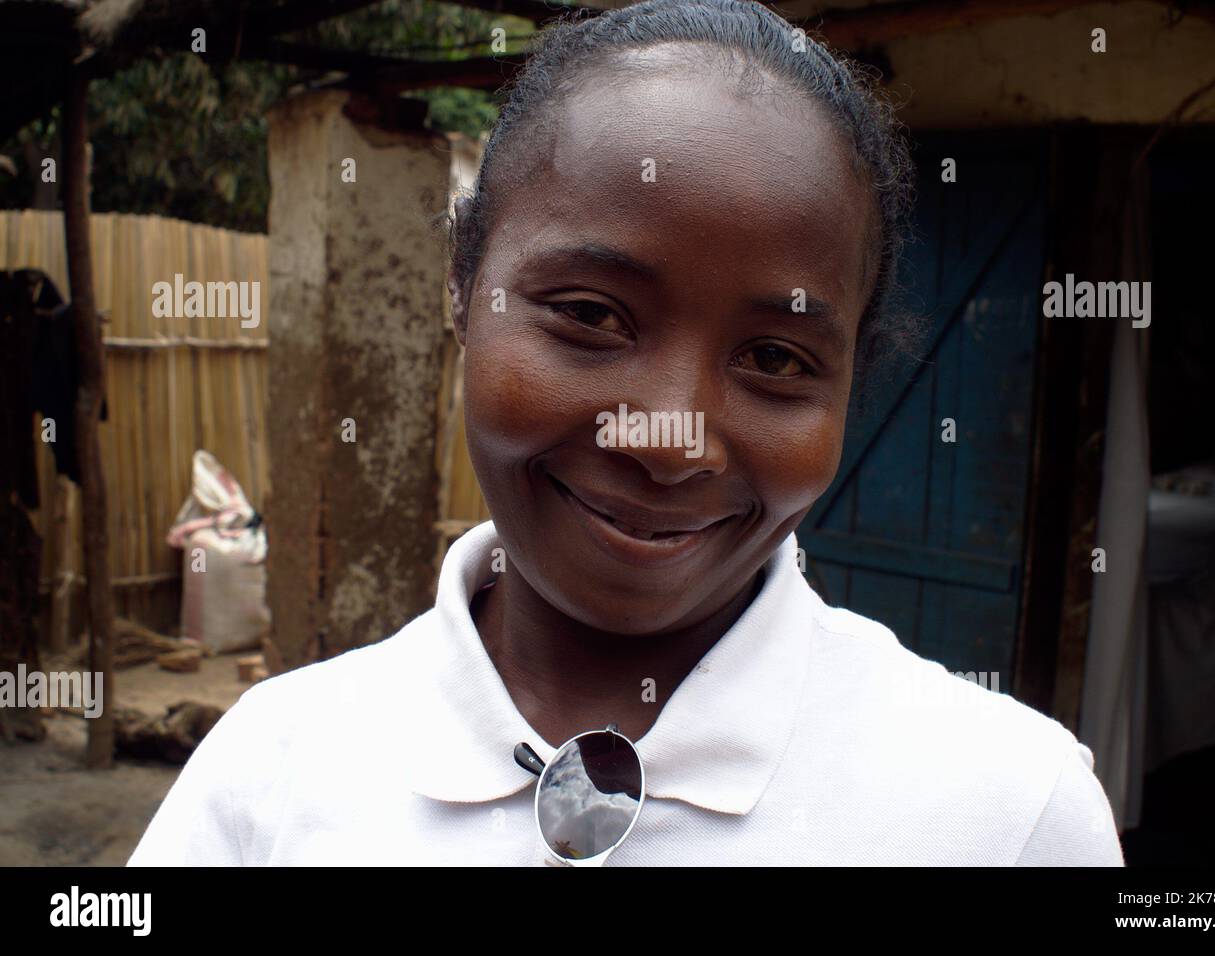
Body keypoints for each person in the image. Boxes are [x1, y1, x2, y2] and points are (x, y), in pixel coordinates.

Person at [129, 0, 1124, 866]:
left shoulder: (1010, 814)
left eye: (776, 359)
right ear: (464, 290)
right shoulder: (271, 769)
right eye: (591, 315)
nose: (669, 438)